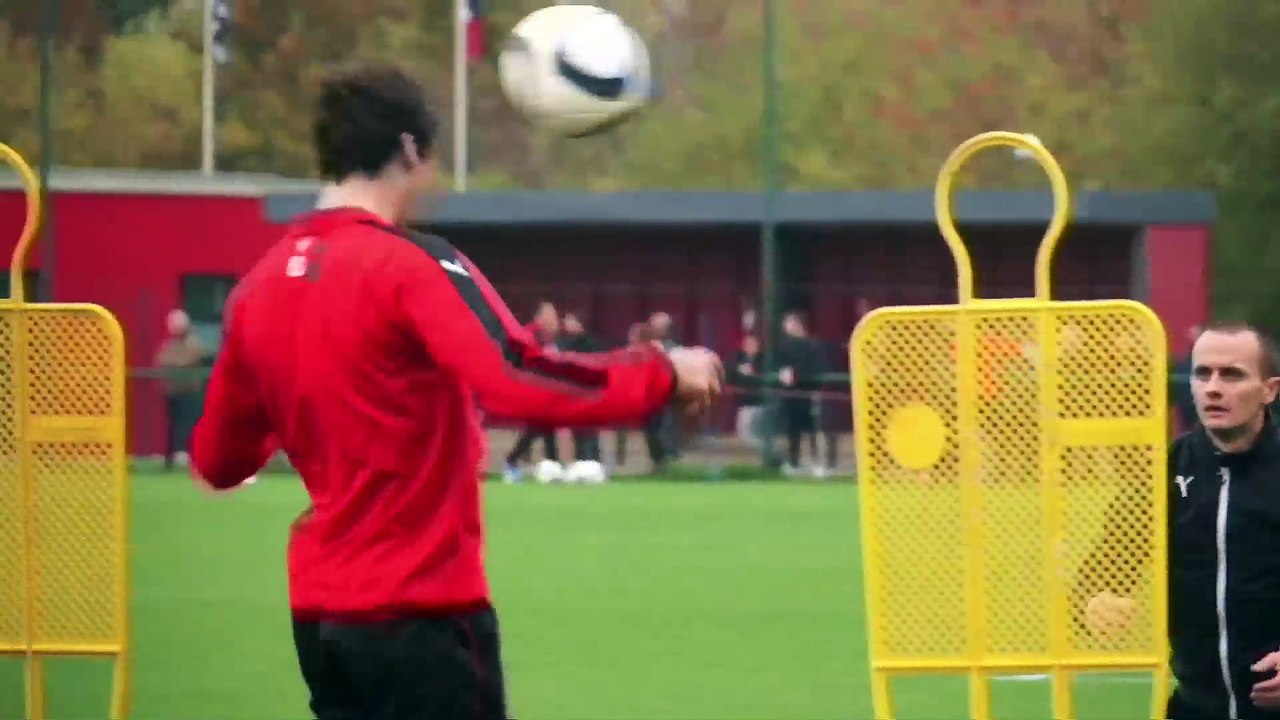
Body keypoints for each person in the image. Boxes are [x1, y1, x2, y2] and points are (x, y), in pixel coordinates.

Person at [189, 62, 723, 720]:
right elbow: (518, 375)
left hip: (322, 618)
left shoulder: (258, 287)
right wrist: (663, 371)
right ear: (411, 149)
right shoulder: (409, 263)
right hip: (421, 611)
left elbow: (218, 460)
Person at [1078, 321, 1280, 720]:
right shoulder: (1163, 472)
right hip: (1195, 706)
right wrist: (1094, 603)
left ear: (1269, 390)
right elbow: (1099, 573)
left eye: (1232, 374)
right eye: (1202, 373)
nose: (1213, 387)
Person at [502, 301, 562, 481]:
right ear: (538, 317)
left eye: (554, 316)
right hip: (526, 389)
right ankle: (513, 461)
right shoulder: (528, 336)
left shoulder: (549, 339)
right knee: (539, 425)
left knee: (545, 425)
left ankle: (551, 463)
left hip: (543, 390)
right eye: (550, 315)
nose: (554, 320)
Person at [154, 308, 205, 469]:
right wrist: (173, 364)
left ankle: (193, 458)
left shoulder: (193, 342)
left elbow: (188, 359)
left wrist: (173, 364)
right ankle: (171, 459)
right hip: (173, 392)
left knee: (191, 425)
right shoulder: (169, 344)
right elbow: (161, 360)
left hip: (190, 392)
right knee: (172, 426)